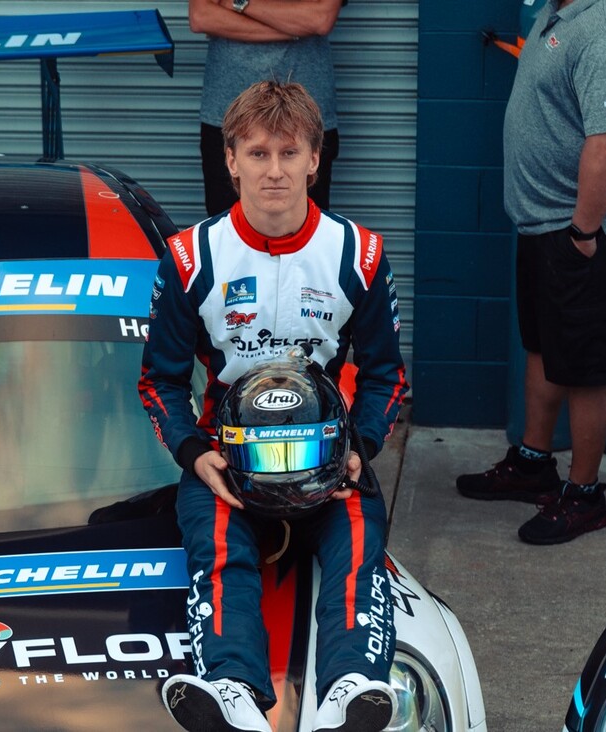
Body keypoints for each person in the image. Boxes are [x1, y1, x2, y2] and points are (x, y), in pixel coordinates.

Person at [139, 80, 407, 732]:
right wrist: (194, 454)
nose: (275, 172)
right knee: (218, 547)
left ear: (317, 158)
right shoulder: (189, 258)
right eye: (257, 154)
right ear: (229, 159)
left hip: (329, 458)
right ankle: (233, 691)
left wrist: (360, 447)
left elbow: (387, 377)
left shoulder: (358, 256)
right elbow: (159, 381)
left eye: (290, 154)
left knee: (357, 541)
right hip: (228, 459)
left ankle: (350, 689)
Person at [456, 0, 606, 545]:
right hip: (546, 223)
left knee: (586, 363)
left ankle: (584, 496)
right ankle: (532, 463)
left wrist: (584, 233)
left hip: (590, 229)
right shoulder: (556, 11)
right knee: (543, 345)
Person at [188, 0, 346, 216]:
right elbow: (202, 17)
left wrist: (237, 3)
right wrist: (291, 29)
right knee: (226, 233)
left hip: (306, 116)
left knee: (306, 232)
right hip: (225, 114)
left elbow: (319, 19)